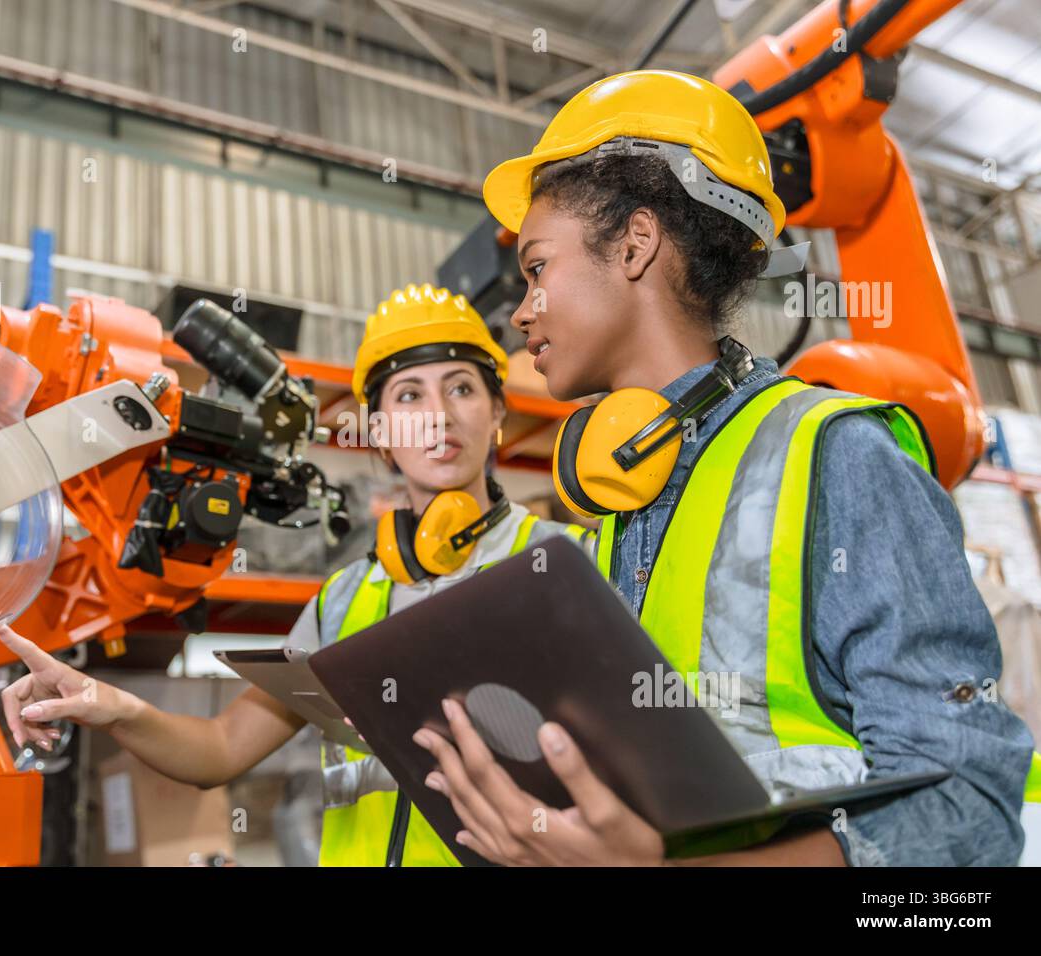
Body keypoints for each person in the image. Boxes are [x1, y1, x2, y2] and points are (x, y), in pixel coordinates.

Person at [411, 69, 1041, 866]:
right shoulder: (622, 502)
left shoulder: (839, 456)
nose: (522, 311)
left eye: (537, 269)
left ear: (635, 244)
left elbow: (970, 810)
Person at [0, 282, 590, 867]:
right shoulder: (344, 599)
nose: (438, 415)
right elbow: (220, 750)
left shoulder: (565, 562)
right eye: (409, 395)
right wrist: (110, 705)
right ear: (380, 432)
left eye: (460, 387)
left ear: (497, 413)